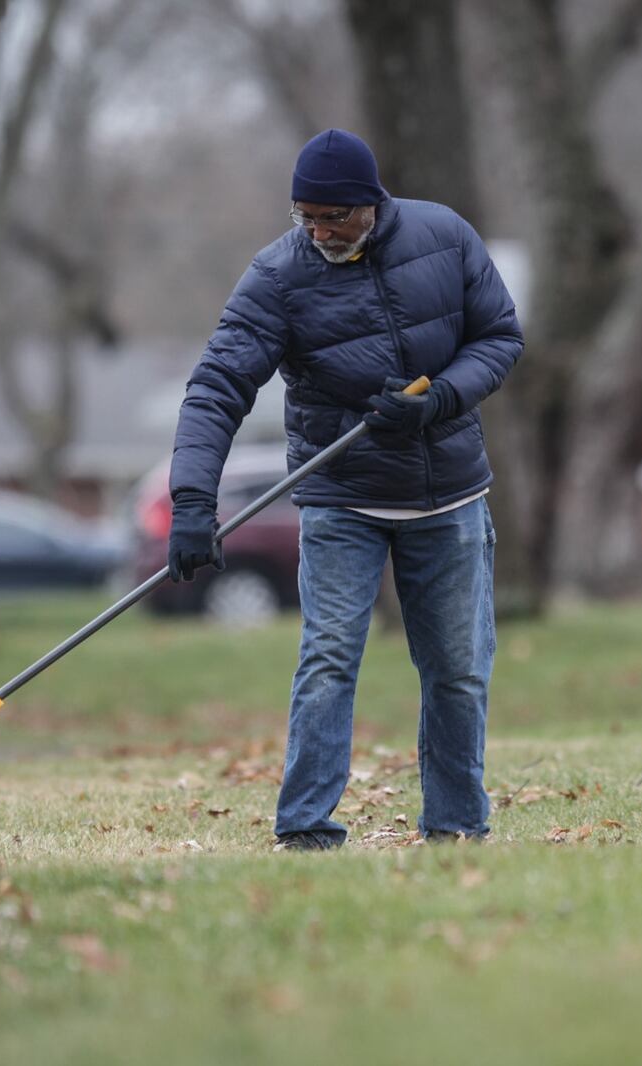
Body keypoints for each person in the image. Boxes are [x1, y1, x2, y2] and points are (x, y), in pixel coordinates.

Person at [167, 129, 523, 851]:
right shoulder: (277, 276)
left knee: (457, 671)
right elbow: (216, 389)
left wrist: (439, 400)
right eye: (307, 217)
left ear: (371, 203)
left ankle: (456, 827)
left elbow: (499, 336)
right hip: (341, 497)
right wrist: (192, 503)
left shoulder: (445, 236)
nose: (321, 231)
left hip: (449, 496)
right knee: (328, 659)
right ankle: (306, 830)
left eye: (335, 217)